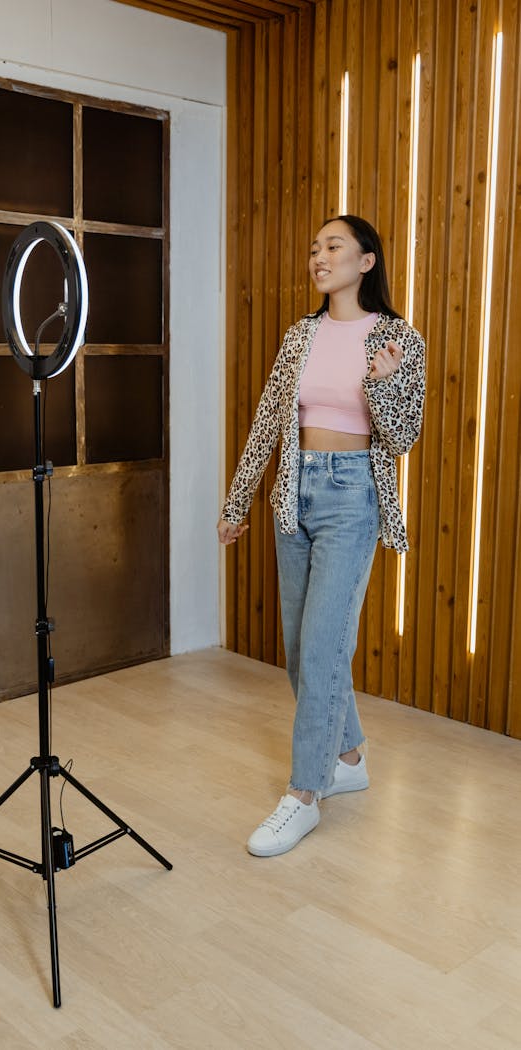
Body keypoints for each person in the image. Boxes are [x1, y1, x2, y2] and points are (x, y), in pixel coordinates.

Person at [218, 215, 426, 857]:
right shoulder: (300, 335)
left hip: (352, 494)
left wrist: (385, 384)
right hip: (295, 491)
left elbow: (402, 437)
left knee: (323, 643)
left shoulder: (398, 339)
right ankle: (351, 756)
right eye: (314, 247)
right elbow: (266, 419)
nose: (319, 255)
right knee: (301, 648)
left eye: (333, 246)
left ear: (367, 261)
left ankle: (304, 794)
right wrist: (239, 497)